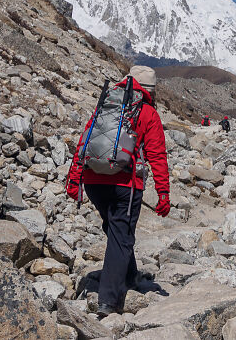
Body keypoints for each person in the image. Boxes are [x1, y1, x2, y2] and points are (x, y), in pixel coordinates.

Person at [66, 65, 170, 317]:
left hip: (93, 182)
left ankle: (130, 275)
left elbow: (85, 140)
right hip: (125, 184)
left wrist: (74, 178)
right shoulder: (147, 113)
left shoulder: (106, 106)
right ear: (148, 91)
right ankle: (109, 302)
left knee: (116, 230)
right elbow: (156, 156)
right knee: (121, 236)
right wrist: (163, 194)